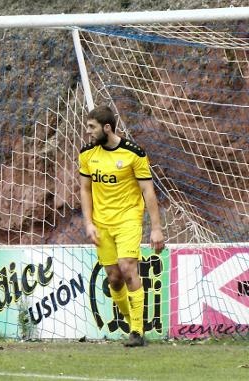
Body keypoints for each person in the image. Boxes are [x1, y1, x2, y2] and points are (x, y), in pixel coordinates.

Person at [79, 105, 165, 347]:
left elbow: (148, 191)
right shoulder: (87, 154)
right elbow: (85, 190)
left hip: (128, 218)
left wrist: (156, 227)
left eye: (92, 127)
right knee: (114, 278)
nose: (88, 132)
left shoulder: (134, 153)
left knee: (128, 269)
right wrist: (88, 223)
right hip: (102, 223)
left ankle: (137, 331)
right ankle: (132, 323)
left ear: (107, 128)